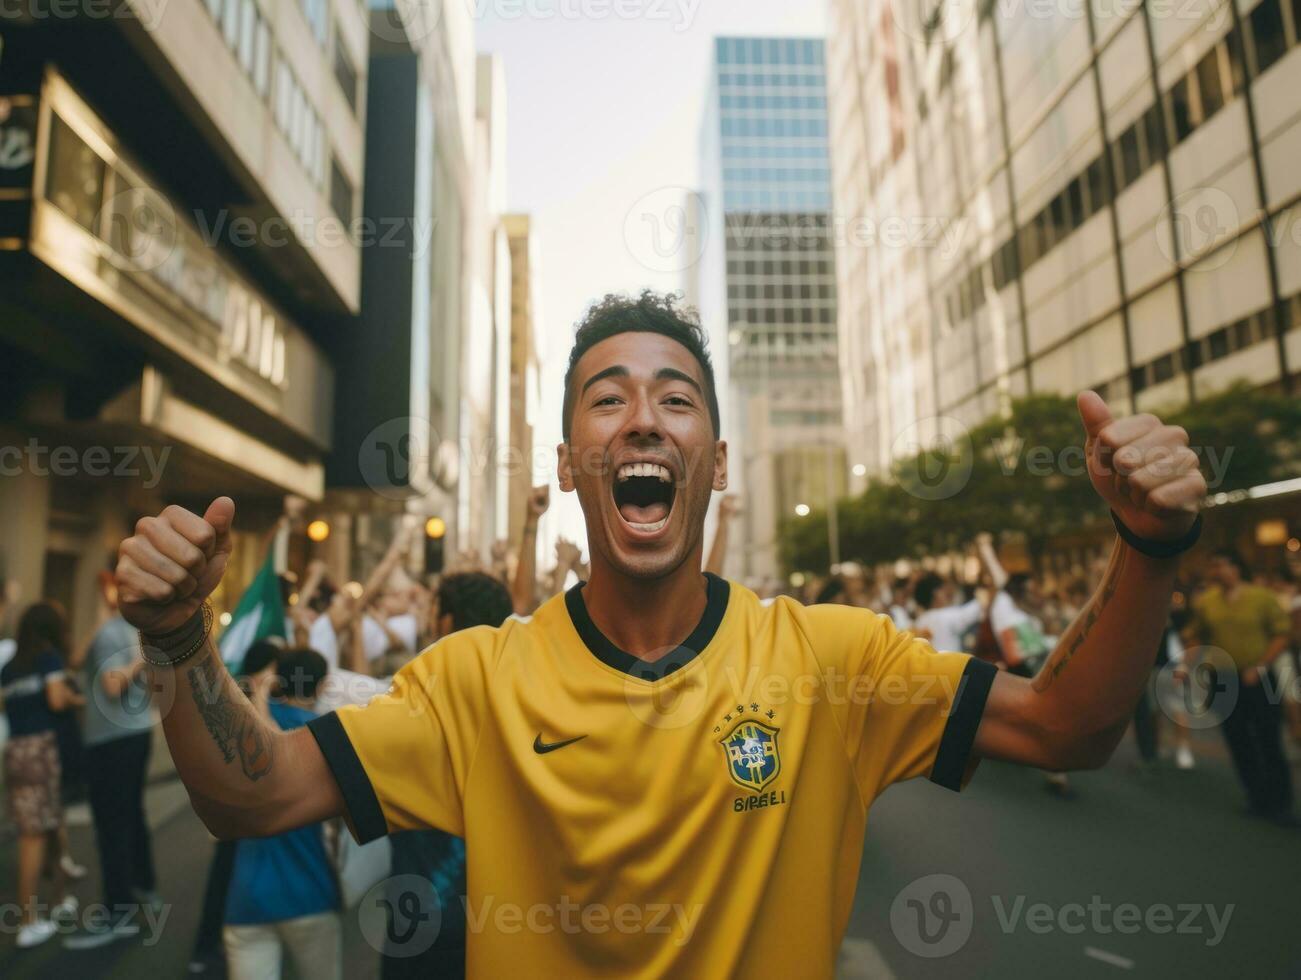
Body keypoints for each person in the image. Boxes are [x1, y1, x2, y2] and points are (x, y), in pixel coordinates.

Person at [114, 289, 1209, 978]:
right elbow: (249, 794)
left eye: (675, 397)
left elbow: (1065, 726)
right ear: (568, 462)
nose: (642, 417)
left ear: (716, 462)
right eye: (607, 398)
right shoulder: (473, 682)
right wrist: (177, 641)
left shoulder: (831, 659)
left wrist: (1146, 546)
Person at [381, 571, 514, 979]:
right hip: (508, 923)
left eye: (434, 611)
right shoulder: (527, 704)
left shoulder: (413, 701)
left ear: (445, 623)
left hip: (422, 919)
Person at [223, 647, 341, 980]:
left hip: (246, 898)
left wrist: (258, 695)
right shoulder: (326, 732)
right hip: (309, 891)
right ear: (320, 686)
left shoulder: (242, 726)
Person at [62, 569, 161, 951]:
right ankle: (144, 886)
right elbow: (76, 660)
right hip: (133, 736)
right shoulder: (127, 629)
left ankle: (118, 912)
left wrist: (138, 661)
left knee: (112, 824)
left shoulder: (115, 633)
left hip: (112, 741)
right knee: (131, 815)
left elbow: (112, 685)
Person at [1188, 549, 1294, 824]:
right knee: (1237, 739)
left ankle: (1280, 800)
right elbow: (1198, 634)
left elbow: (1282, 634)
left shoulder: (1261, 597)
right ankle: (1256, 795)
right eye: (1212, 566)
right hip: (1224, 679)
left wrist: (1260, 666)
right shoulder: (1207, 602)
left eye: (1220, 565)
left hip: (1256, 675)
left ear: (1235, 568)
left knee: (1268, 736)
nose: (1215, 571)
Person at [1, 601, 82, 949]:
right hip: (41, 750)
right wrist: (77, 699)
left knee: (49, 823)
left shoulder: (11, 666)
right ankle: (28, 922)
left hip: (16, 750)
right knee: (33, 835)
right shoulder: (48, 658)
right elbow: (56, 701)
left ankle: (58, 899)